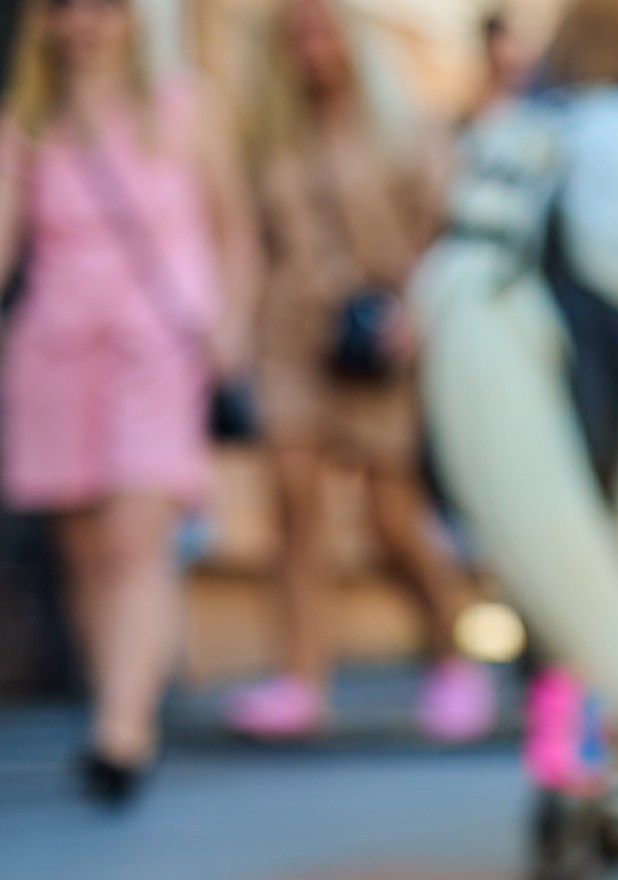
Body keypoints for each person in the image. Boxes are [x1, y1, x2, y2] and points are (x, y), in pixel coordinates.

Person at [0, 0, 255, 804]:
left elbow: (234, 229)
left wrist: (232, 322)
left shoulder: (186, 107)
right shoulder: (30, 122)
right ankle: (117, 696)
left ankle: (123, 728)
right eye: (66, 7)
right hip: (55, 350)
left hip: (157, 346)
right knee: (82, 543)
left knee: (135, 531)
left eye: (103, 6)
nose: (85, 23)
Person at [220, 0, 493, 745]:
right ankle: (302, 677)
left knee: (388, 519)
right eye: (297, 35)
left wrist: (418, 310)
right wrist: (232, 335)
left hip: (378, 334)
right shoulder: (270, 134)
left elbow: (452, 230)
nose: (311, 48)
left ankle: (452, 652)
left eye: (322, 31)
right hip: (294, 333)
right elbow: (249, 238)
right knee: (294, 501)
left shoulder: (406, 128)